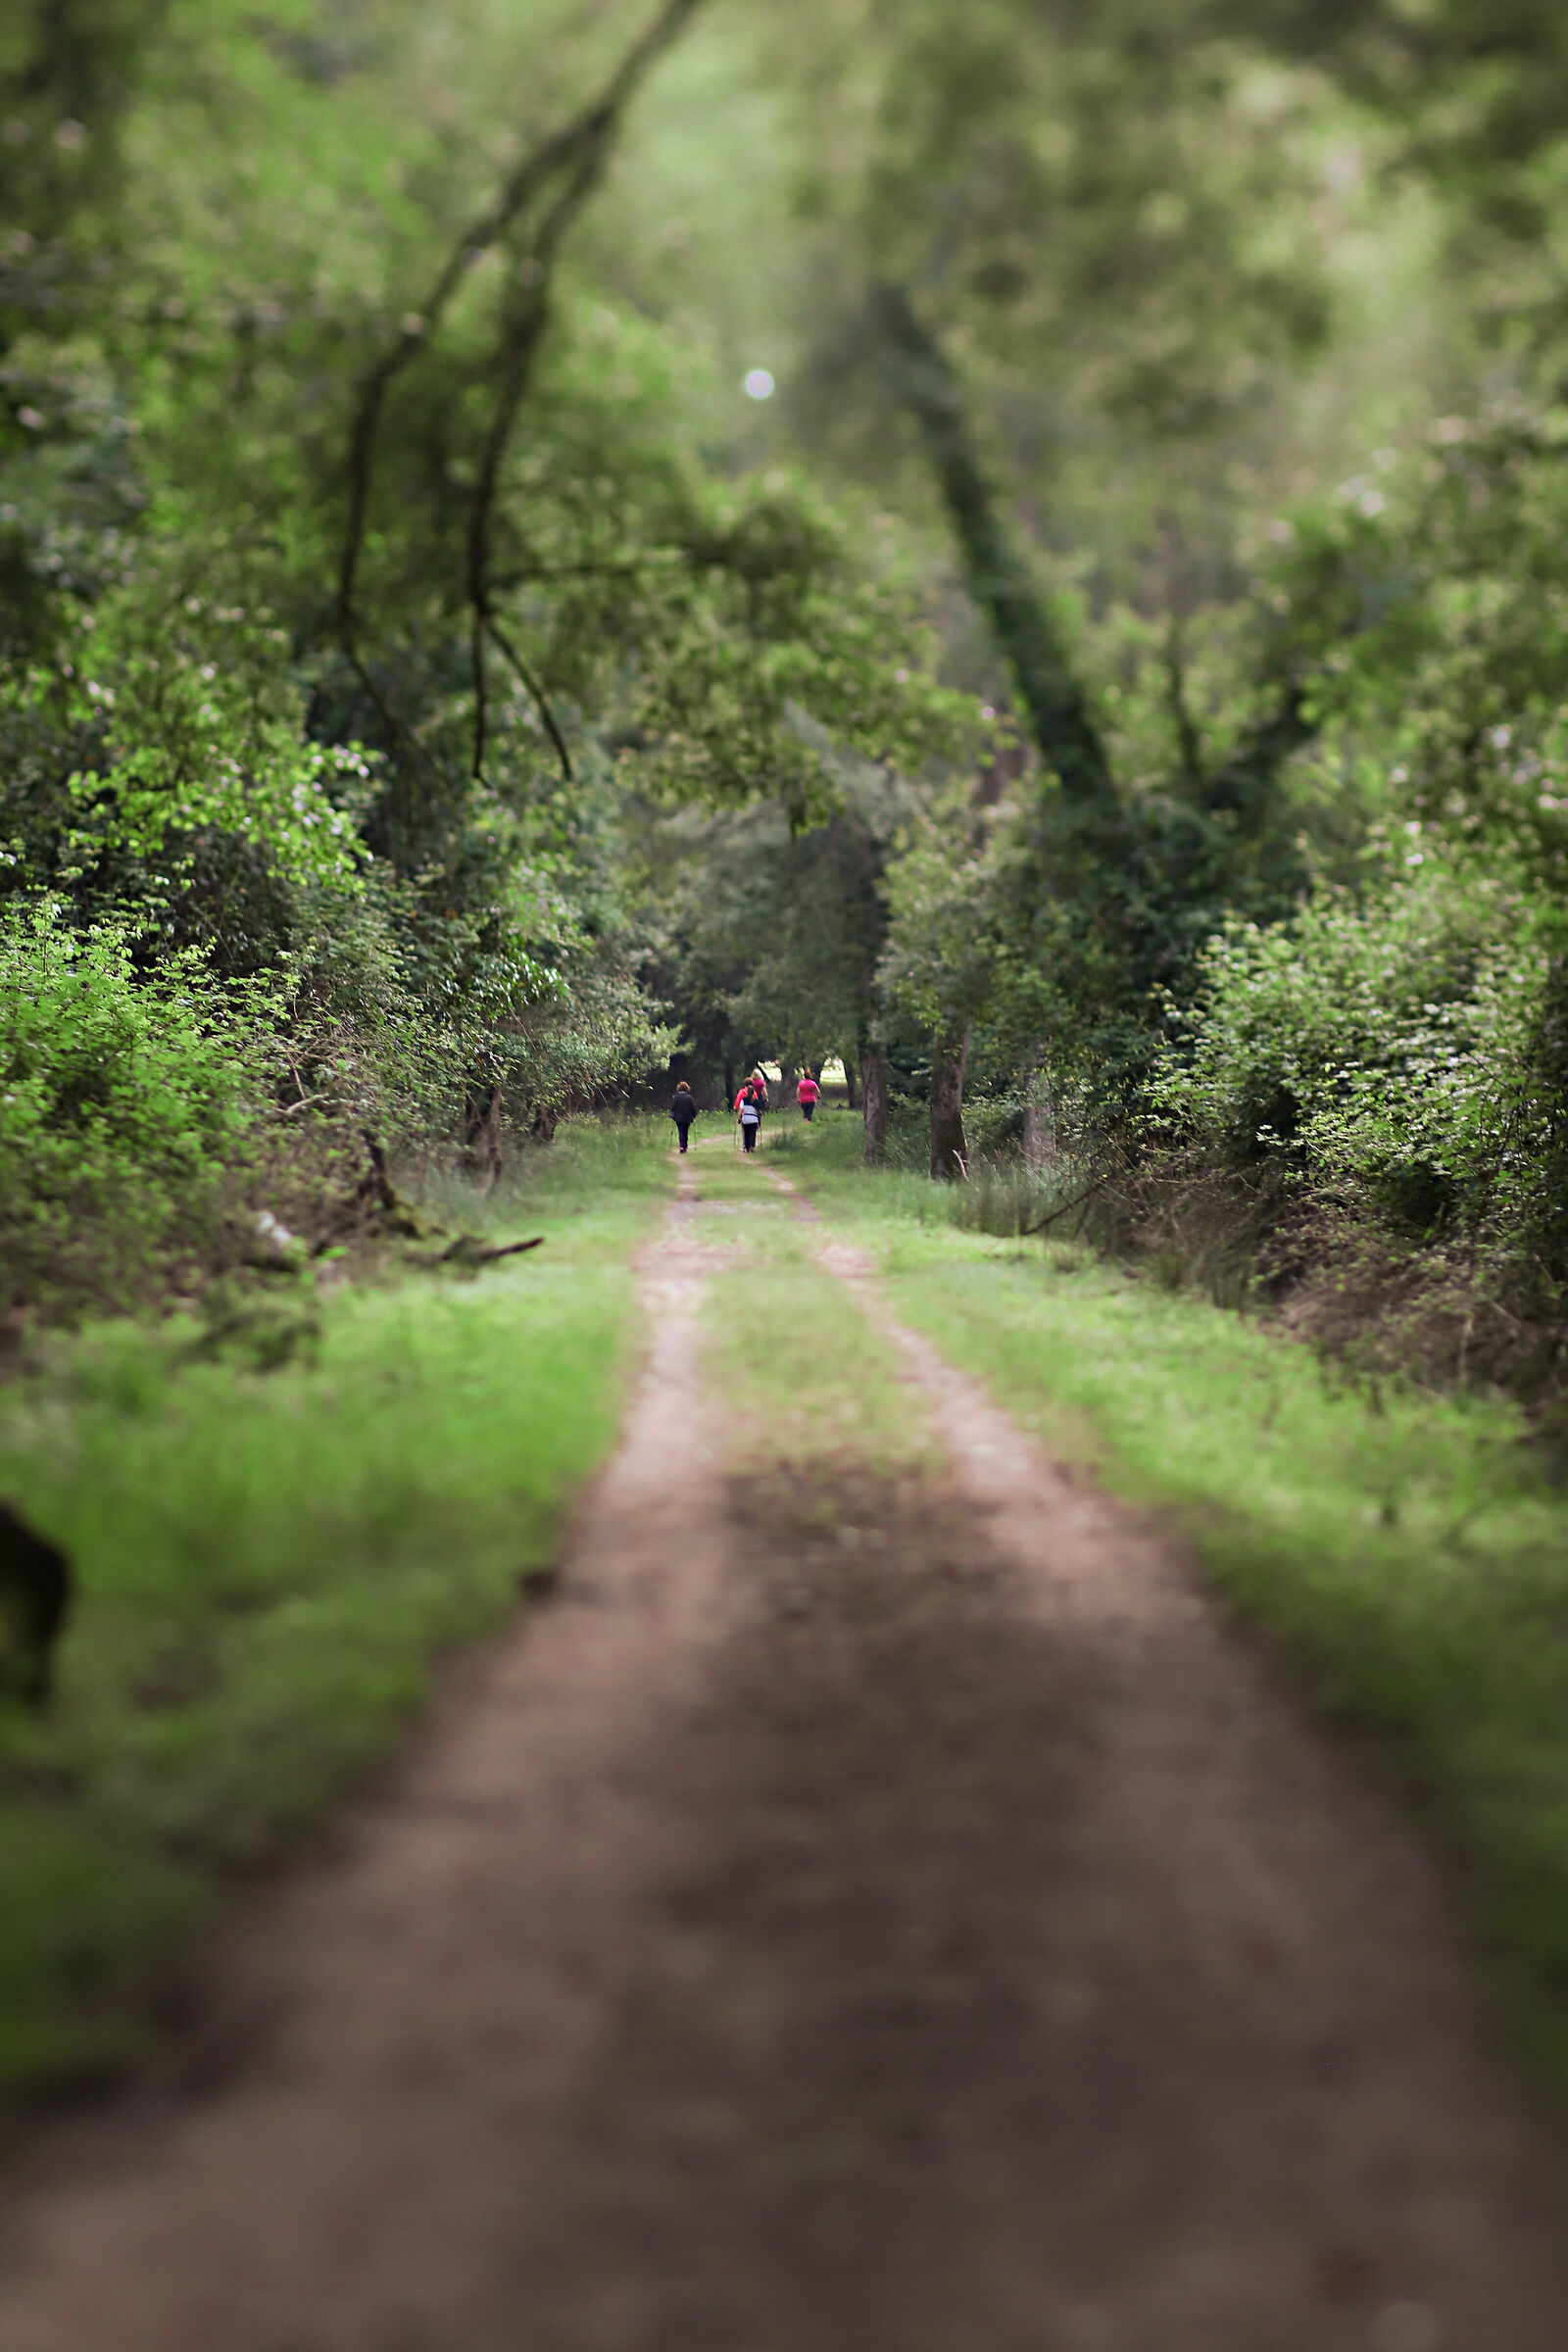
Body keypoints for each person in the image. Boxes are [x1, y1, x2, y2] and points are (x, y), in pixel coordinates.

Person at [669, 1080, 699, 1153]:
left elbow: (673, 1107)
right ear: (686, 1088)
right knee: (685, 1131)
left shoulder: (676, 1097)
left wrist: (672, 1114)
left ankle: (682, 1146)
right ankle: (684, 1146)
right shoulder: (689, 1098)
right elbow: (693, 1108)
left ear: (679, 1088)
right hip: (687, 1117)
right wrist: (694, 1115)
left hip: (678, 1118)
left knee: (681, 1131)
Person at [734, 1078, 763, 1153]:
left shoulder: (743, 1098)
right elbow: (758, 1111)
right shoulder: (756, 1099)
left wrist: (739, 1118)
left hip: (745, 1118)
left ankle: (746, 1147)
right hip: (754, 1119)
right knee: (753, 1133)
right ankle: (752, 1147)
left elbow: (740, 1109)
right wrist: (759, 1119)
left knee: (746, 1132)